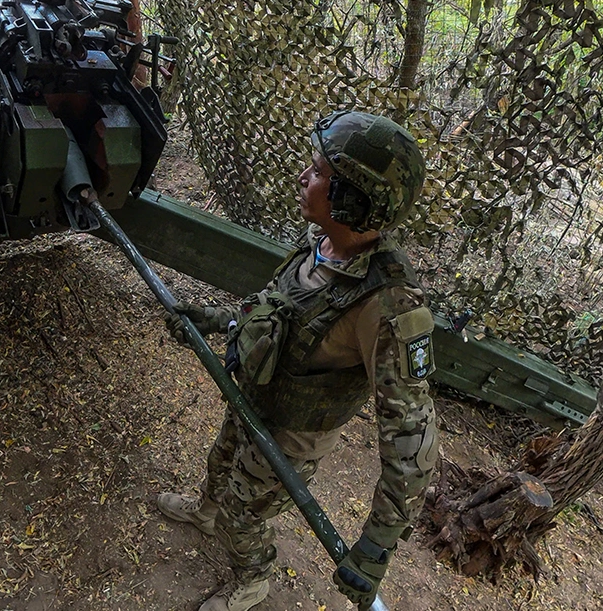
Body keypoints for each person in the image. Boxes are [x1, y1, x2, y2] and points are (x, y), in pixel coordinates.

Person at [159, 111, 439, 611]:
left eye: (317, 172)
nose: (302, 178)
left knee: (242, 516)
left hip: (290, 437)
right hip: (253, 396)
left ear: (352, 198)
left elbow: (412, 441)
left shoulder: (390, 305)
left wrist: (376, 546)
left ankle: (253, 578)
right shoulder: (323, 245)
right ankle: (204, 511)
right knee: (219, 464)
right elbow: (276, 313)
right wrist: (214, 318)